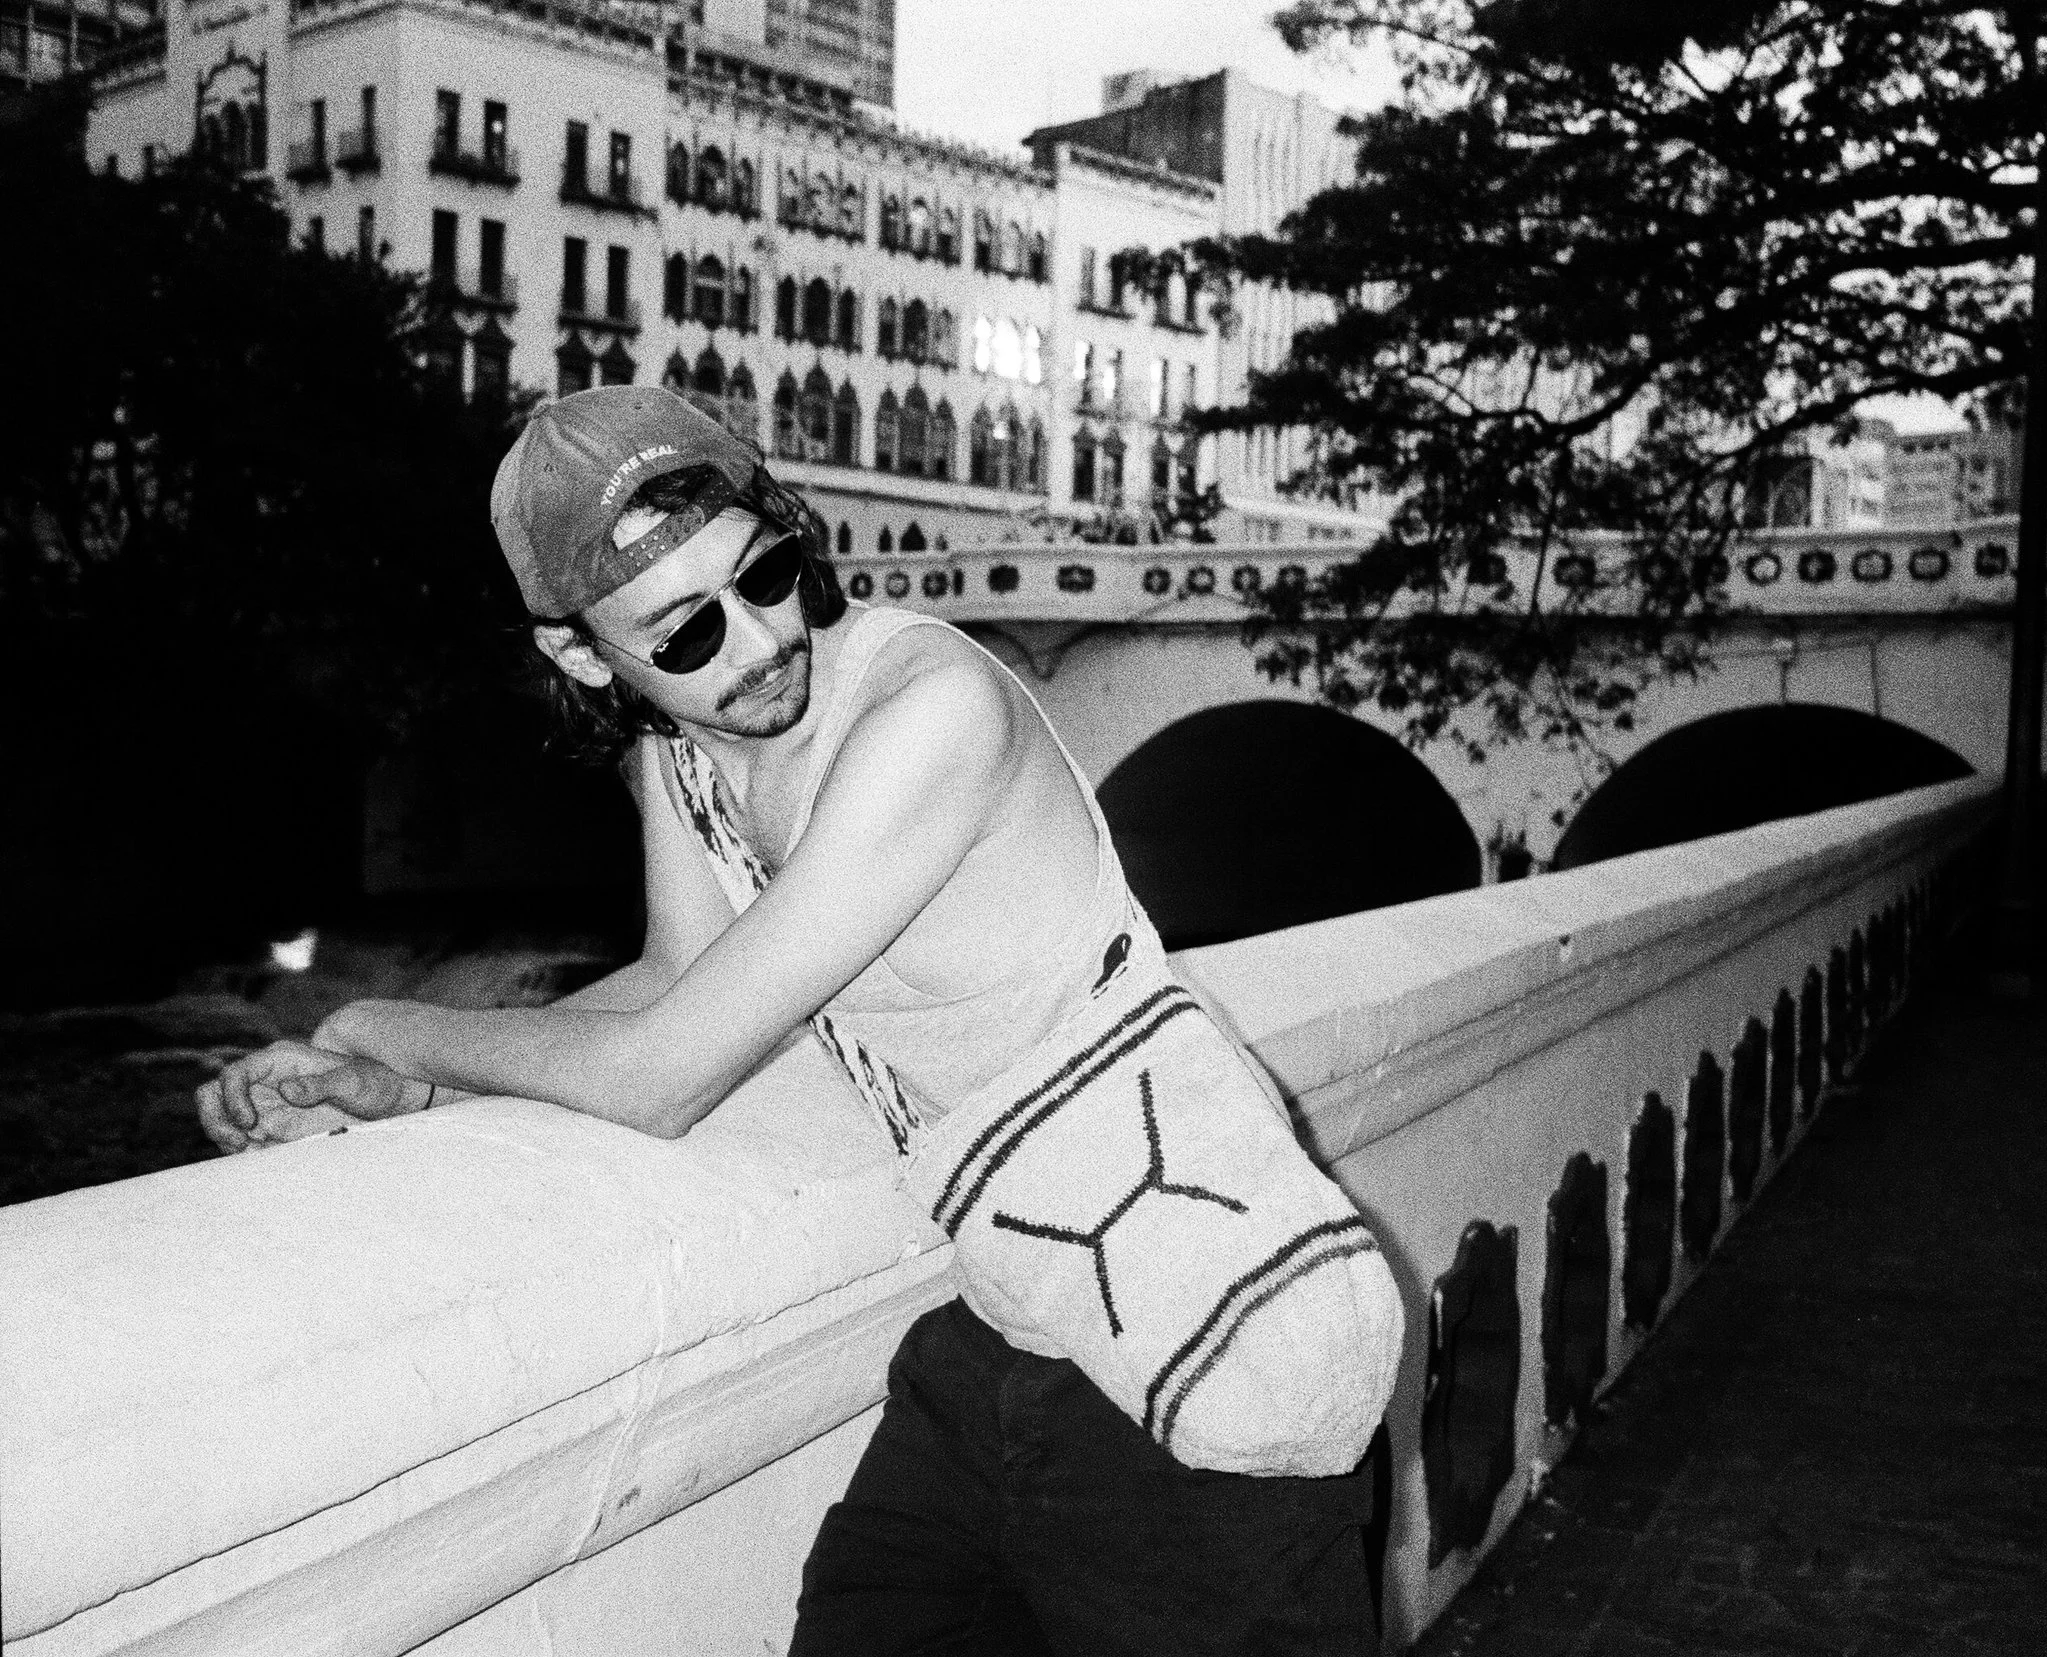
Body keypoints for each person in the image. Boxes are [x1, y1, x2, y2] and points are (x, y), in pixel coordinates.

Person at [196, 387, 1402, 1655]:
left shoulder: (930, 708)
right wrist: (424, 1090)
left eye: (766, 572)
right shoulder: (687, 758)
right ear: (581, 657)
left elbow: (664, 1071)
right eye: (683, 632)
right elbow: (673, 987)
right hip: (1015, 1324)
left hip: (1214, 1326)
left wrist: (380, 1025)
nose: (761, 640)